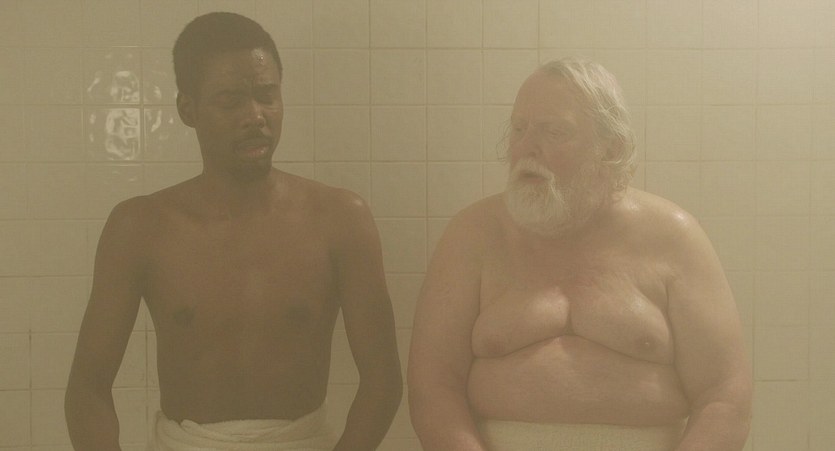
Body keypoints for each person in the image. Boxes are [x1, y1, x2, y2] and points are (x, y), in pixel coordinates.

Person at [65, 12, 402, 450]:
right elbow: (88, 388)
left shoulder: (340, 219)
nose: (255, 116)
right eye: (231, 100)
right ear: (188, 109)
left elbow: (382, 381)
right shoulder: (140, 228)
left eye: (267, 95)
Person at [408, 57, 752, 451]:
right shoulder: (474, 234)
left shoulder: (674, 237)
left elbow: (725, 396)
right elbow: (433, 388)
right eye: (519, 129)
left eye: (554, 132)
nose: (526, 148)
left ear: (610, 148)